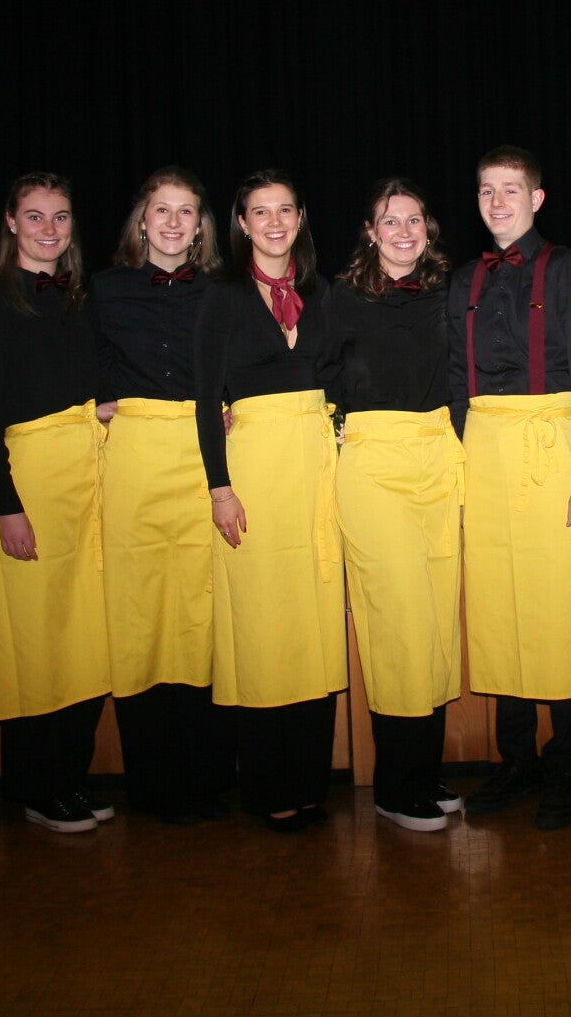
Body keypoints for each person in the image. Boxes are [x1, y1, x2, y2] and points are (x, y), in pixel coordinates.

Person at [449, 145, 571, 831]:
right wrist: (468, 457)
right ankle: (514, 762)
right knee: (500, 612)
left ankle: (565, 764)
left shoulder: (568, 269)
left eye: (510, 189)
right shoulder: (466, 279)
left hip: (552, 454)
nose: (498, 202)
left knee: (557, 612)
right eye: (487, 190)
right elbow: (456, 380)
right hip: (487, 455)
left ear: (537, 198)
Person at [0, 173, 114, 834]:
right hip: (31, 485)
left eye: (60, 216)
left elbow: (93, 387)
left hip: (87, 480)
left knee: (84, 636)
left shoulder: (81, 298)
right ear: (11, 222)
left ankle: (71, 778)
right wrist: (7, 506)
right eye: (35, 216)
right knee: (37, 637)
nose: (49, 229)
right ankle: (36, 786)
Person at [195, 170, 345, 833]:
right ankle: (265, 787)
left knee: (313, 627)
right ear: (242, 223)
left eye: (286, 209)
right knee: (263, 629)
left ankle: (310, 784)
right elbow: (206, 399)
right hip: (253, 474)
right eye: (261, 211)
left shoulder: (323, 292)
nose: (275, 222)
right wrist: (220, 488)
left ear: (300, 218)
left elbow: (343, 376)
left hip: (314, 471)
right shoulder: (221, 296)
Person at [320, 178, 465, 832]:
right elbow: (317, 372)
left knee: (433, 618)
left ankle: (423, 774)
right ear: (370, 232)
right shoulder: (341, 296)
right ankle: (395, 785)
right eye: (390, 220)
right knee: (397, 620)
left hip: (438, 459)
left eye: (414, 220)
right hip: (375, 465)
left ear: (427, 231)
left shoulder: (447, 293)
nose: (403, 232)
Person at [90, 167, 234, 825]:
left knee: (203, 617)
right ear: (142, 222)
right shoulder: (104, 290)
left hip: (205, 461)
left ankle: (206, 781)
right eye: (162, 210)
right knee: (141, 618)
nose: (174, 223)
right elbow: (80, 364)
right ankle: (151, 786)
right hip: (137, 465)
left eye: (186, 212)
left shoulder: (222, 292)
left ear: (200, 226)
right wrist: (98, 401)